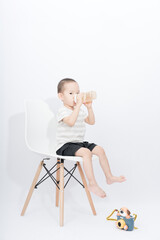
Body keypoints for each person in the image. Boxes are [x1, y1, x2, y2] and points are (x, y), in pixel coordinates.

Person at [56, 78, 126, 198]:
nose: (75, 96)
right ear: (61, 96)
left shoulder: (79, 110)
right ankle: (92, 183)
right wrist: (78, 106)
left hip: (78, 143)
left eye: (78, 93)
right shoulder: (63, 111)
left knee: (100, 150)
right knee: (86, 152)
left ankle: (109, 177)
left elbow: (91, 121)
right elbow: (71, 122)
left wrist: (88, 108)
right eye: (71, 93)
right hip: (65, 145)